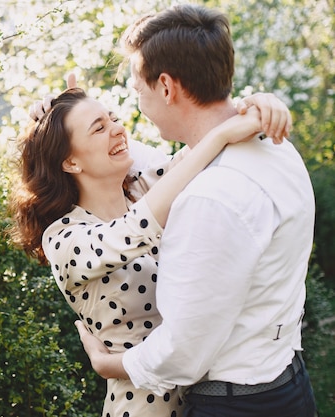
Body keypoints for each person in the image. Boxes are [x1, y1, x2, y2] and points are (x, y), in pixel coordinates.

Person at [71, 4, 317, 417]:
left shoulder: (209, 197)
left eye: (137, 90)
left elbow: (183, 353)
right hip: (289, 384)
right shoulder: (276, 146)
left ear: (166, 87)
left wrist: (108, 365)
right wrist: (65, 122)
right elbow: (142, 161)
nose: (138, 105)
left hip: (237, 406)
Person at [9, 83, 289, 417]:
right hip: (145, 406)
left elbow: (203, 146)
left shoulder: (140, 190)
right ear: (70, 162)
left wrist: (260, 105)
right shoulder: (64, 238)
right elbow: (136, 228)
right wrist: (220, 136)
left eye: (113, 118)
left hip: (209, 397)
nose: (117, 129)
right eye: (99, 128)